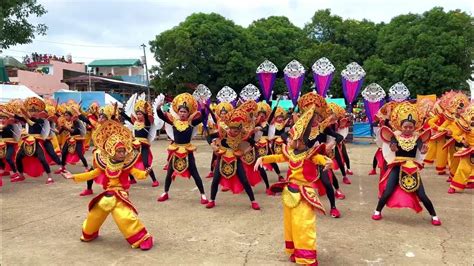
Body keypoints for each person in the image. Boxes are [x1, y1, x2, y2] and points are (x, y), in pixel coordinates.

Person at [255, 106, 332, 266]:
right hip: (289, 193)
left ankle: (307, 257)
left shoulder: (310, 154)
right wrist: (263, 159)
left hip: (304, 195)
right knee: (290, 225)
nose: (288, 141)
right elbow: (278, 157)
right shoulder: (290, 153)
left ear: (301, 141)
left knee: (303, 225)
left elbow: (321, 159)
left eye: (291, 139)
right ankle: (295, 251)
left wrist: (327, 161)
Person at [62, 120, 153, 250]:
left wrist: (145, 173)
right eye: (120, 151)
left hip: (120, 195)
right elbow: (92, 174)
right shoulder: (104, 164)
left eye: (123, 151)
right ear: (111, 151)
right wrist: (74, 177)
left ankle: (144, 238)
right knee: (94, 215)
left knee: (125, 217)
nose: (123, 154)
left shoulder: (126, 165)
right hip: (108, 195)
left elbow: (138, 174)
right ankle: (90, 233)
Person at [372, 102, 441, 226]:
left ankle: (434, 215)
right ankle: (377, 211)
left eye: (410, 127)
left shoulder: (418, 138)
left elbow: (421, 148)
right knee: (388, 191)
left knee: (422, 194)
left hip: (412, 168)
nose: (408, 129)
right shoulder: (395, 137)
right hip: (397, 167)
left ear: (414, 127)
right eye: (405, 127)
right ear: (400, 126)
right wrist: (393, 149)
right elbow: (390, 147)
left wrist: (424, 150)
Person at [206, 100, 260, 210]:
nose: (233, 132)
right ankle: (212, 200)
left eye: (236, 131)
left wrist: (244, 152)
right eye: (232, 129)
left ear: (240, 129)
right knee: (215, 179)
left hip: (236, 158)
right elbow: (209, 137)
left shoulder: (243, 134)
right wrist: (214, 146)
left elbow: (253, 143)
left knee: (244, 180)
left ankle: (253, 201)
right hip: (223, 157)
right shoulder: (223, 132)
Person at [156, 93, 208, 204]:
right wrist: (158, 108)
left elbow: (203, 117)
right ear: (178, 112)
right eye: (181, 111)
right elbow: (161, 116)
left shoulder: (191, 123)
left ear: (188, 113)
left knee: (194, 172)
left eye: (185, 112)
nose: (182, 113)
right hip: (176, 150)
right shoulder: (173, 122)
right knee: (169, 172)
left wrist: (203, 107)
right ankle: (165, 192)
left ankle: (203, 195)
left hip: (187, 150)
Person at [120, 98, 159, 187]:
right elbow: (127, 117)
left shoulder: (147, 123)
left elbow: (148, 117)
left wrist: (146, 108)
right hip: (134, 145)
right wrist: (120, 111)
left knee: (146, 163)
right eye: (137, 113)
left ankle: (154, 180)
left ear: (144, 114)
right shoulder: (135, 122)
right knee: (127, 162)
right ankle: (132, 179)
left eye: (140, 114)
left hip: (144, 146)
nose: (138, 115)